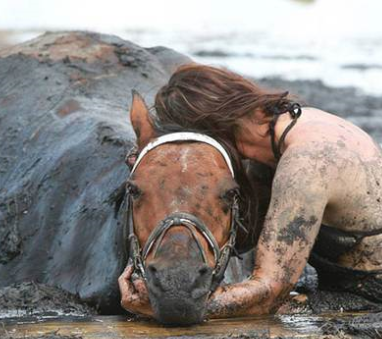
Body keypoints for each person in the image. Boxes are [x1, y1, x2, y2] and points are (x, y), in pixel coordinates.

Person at [119, 64, 382, 318]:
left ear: (211, 128)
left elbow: (270, 292)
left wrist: (168, 304)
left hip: (368, 296)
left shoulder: (306, 164)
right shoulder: (286, 132)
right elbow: (245, 237)